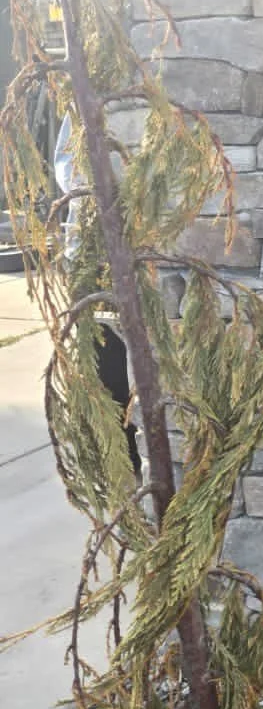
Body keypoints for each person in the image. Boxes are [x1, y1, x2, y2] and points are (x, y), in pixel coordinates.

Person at [53, 111, 142, 478]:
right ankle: (121, 459)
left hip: (145, 250)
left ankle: (141, 452)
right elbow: (69, 168)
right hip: (93, 252)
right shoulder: (91, 90)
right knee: (105, 359)